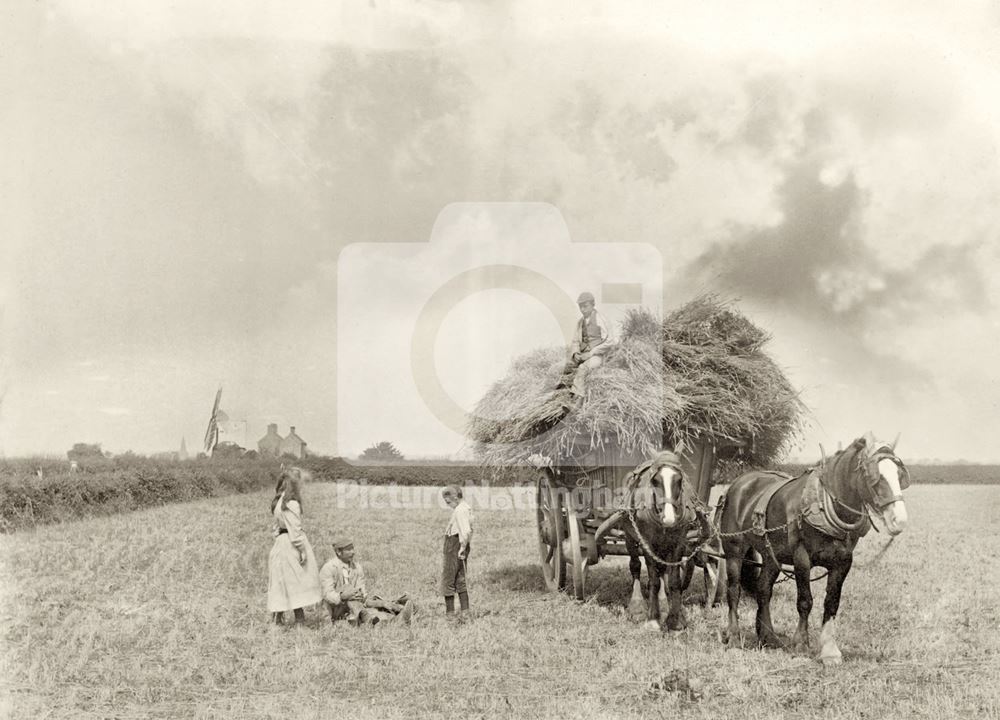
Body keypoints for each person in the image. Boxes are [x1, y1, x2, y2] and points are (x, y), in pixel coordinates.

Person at [267, 467, 322, 625]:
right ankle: (299, 619)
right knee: (297, 581)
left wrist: (279, 539)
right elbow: (295, 531)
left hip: (280, 543)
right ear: (295, 484)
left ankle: (279, 619)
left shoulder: (279, 502)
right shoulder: (291, 503)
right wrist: (302, 550)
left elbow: (276, 527)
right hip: (291, 544)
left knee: (281, 582)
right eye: (301, 483)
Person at [319, 536, 414, 626]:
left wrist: (380, 603)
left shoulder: (357, 567)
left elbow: (363, 595)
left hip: (355, 607)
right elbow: (327, 595)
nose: (353, 552)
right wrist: (343, 597)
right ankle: (373, 617)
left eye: (353, 549)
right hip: (336, 609)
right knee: (348, 589)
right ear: (338, 552)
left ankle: (397, 614)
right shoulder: (329, 568)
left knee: (376, 609)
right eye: (348, 550)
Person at [558, 291, 615, 404]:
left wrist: (593, 352)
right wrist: (576, 354)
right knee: (561, 368)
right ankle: (559, 398)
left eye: (585, 306)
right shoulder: (580, 323)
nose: (583, 310)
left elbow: (610, 341)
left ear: (593, 304)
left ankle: (577, 401)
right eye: (580, 307)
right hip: (583, 355)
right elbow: (575, 341)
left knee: (582, 369)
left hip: (597, 356)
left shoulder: (601, 318)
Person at [441, 485, 473, 618]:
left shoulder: (460, 510)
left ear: (455, 497)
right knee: (460, 578)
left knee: (448, 579)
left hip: (455, 545)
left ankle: (450, 614)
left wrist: (461, 547)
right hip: (459, 544)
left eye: (448, 502)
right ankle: (465, 612)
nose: (448, 505)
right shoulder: (465, 507)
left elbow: (465, 531)